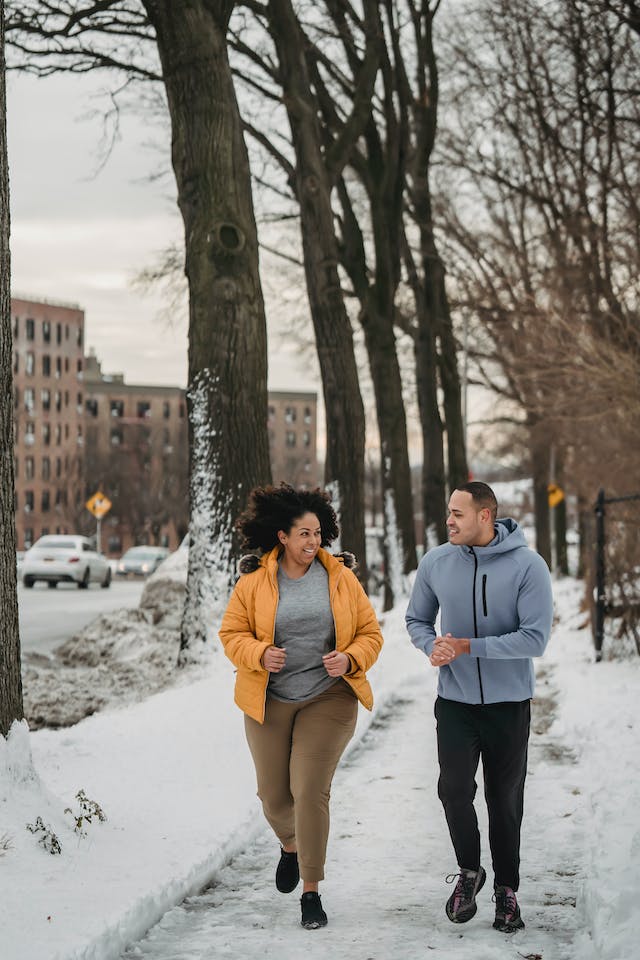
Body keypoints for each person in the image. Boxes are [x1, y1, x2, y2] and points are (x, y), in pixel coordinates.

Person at [219, 483, 383, 930]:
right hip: (268, 698)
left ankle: (311, 891)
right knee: (273, 796)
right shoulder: (254, 582)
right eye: (303, 534)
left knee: (309, 790)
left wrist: (350, 657)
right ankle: (291, 844)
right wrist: (258, 654)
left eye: (317, 533)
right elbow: (231, 635)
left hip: (328, 697)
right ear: (282, 538)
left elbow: (372, 633)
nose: (313, 542)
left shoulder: (341, 579)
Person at [406, 481, 553, 934]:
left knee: (504, 800)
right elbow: (416, 619)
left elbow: (535, 638)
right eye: (448, 513)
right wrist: (433, 646)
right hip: (455, 702)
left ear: (485, 516)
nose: (448, 521)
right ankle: (469, 873)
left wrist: (468, 646)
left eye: (457, 514)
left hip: (509, 704)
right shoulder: (436, 562)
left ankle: (507, 891)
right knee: (453, 790)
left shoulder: (529, 566)